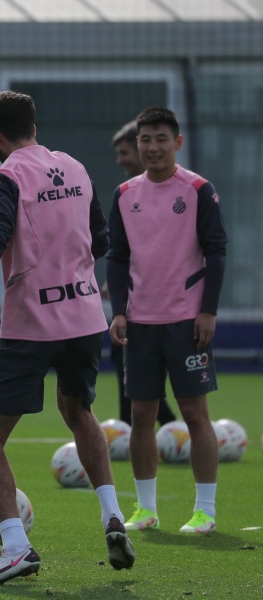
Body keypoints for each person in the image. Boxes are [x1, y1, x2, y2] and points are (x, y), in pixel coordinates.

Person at [0, 90, 134, 585]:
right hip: (84, 319)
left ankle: (15, 547)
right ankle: (113, 516)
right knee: (79, 412)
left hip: (32, 325)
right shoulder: (73, 167)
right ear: (33, 123)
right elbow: (101, 240)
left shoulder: (3, 176)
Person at [107, 107, 227, 535]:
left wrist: (208, 310)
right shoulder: (124, 194)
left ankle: (205, 512)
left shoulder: (197, 189)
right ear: (137, 144)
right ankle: (145, 509)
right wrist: (119, 310)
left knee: (196, 415)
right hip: (140, 323)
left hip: (186, 322)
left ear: (177, 143)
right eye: (145, 140)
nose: (152, 147)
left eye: (161, 139)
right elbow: (118, 257)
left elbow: (216, 251)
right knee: (141, 413)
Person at [106, 121, 177, 427]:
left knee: (135, 361)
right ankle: (139, 425)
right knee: (122, 357)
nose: (120, 160)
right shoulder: (128, 194)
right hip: (137, 296)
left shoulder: (170, 192)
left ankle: (173, 425)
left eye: (124, 152)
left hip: (163, 301)